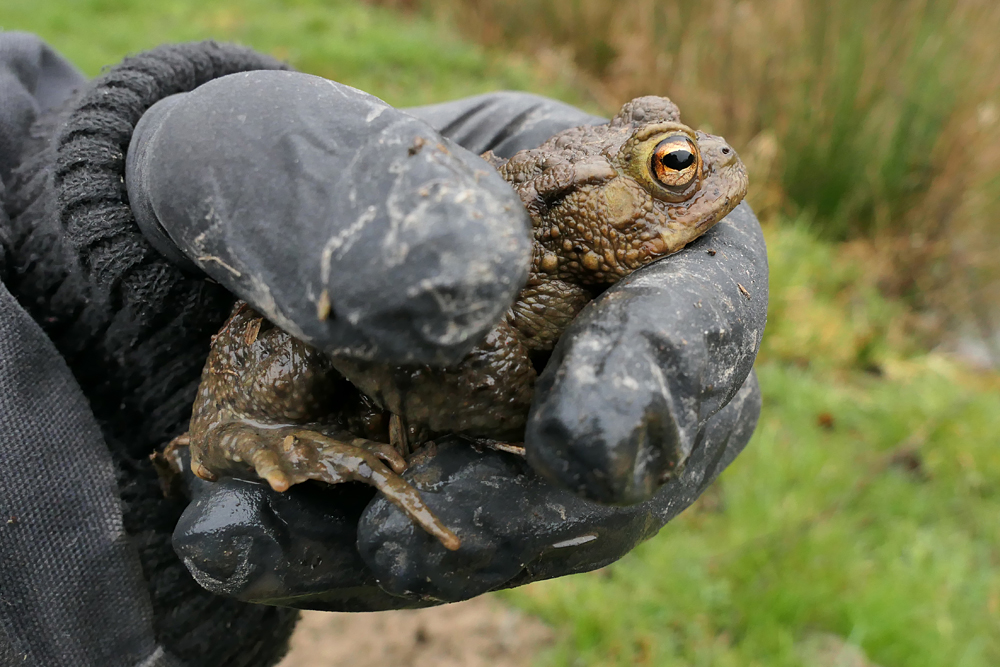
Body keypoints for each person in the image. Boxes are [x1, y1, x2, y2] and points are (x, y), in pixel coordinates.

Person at [0, 34, 767, 666]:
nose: (716, 155)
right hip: (275, 379)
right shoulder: (534, 280)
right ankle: (248, 432)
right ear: (596, 208)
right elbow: (437, 361)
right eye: (673, 166)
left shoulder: (567, 259)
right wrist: (528, 410)